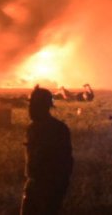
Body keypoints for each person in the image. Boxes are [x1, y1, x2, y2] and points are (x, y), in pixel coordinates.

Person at [21, 86, 74, 215]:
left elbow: (65, 162)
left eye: (33, 105)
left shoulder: (48, 129)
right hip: (40, 185)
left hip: (47, 186)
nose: (29, 109)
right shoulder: (53, 128)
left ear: (41, 107)